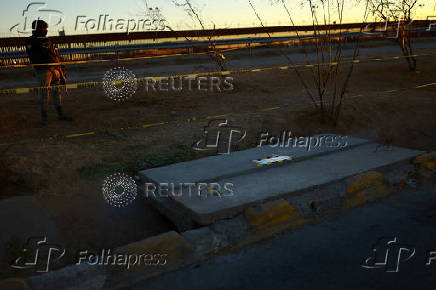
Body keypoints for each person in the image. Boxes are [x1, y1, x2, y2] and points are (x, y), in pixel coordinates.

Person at [26, 20, 72, 126]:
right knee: (44, 95)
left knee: (57, 93)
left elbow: (55, 56)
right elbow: (38, 56)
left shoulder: (46, 41)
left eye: (46, 28)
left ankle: (60, 114)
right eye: (44, 28)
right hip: (43, 71)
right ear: (38, 29)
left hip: (54, 70)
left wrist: (61, 70)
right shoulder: (32, 41)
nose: (46, 31)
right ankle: (44, 118)